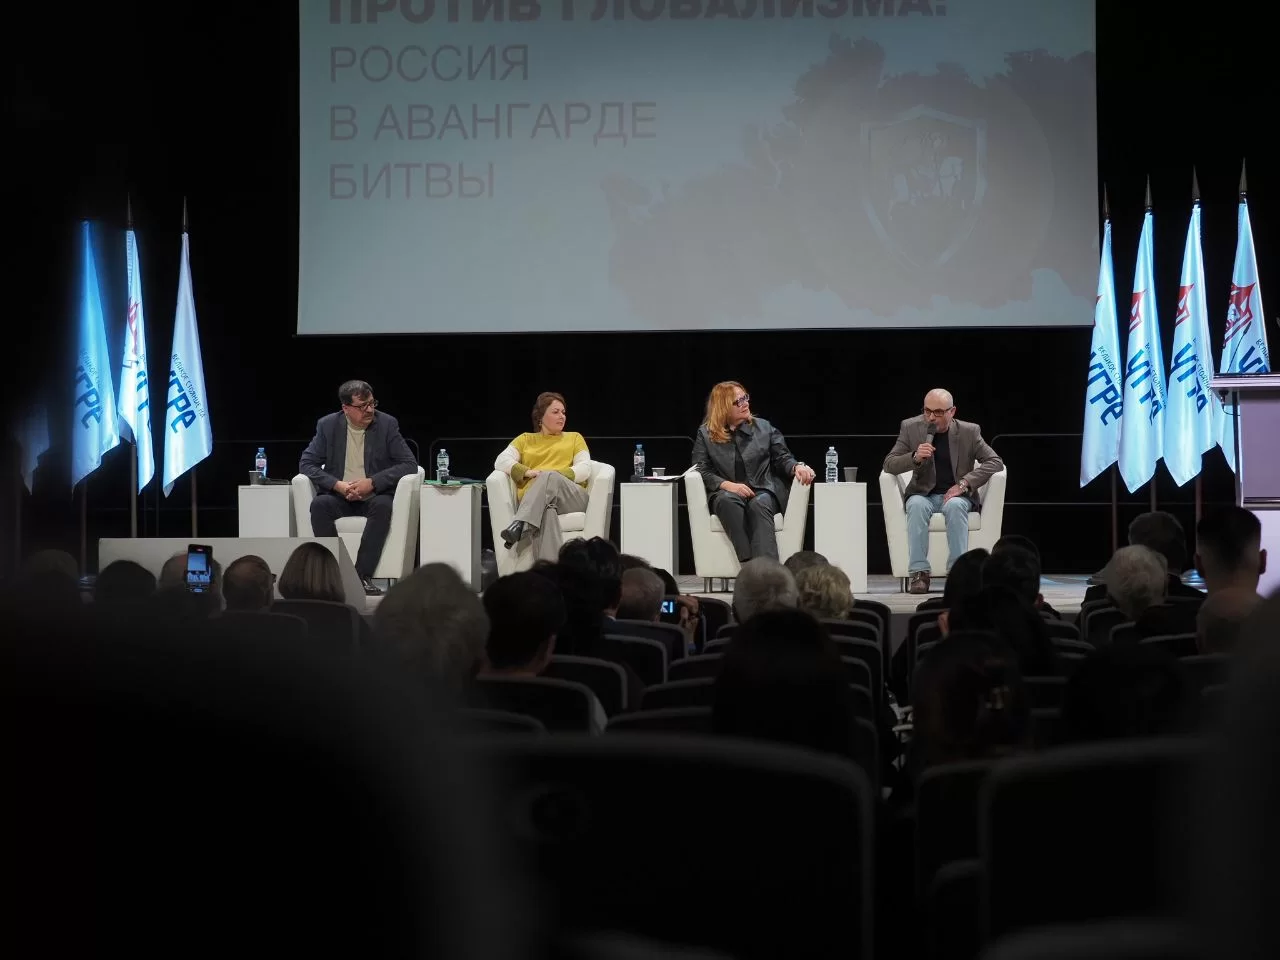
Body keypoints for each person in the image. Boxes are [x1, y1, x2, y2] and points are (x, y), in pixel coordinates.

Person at [299, 379, 419, 595]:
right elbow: (307, 463)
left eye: (372, 403)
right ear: (346, 408)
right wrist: (337, 485)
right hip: (339, 496)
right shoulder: (327, 425)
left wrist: (372, 482)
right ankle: (333, 576)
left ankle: (361, 576)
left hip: (374, 496)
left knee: (383, 506)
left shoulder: (386, 424)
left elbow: (409, 464)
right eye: (362, 406)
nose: (370, 410)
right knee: (319, 505)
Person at [882, 388, 1004, 594]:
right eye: (927, 411)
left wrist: (964, 483)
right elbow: (889, 464)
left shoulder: (969, 432)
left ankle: (958, 574)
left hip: (957, 495)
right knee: (915, 505)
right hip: (923, 494)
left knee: (955, 506)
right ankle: (919, 573)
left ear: (952, 411)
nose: (931, 417)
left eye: (938, 412)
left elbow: (995, 461)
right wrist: (914, 457)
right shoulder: (910, 427)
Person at [691, 382, 814, 562]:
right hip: (727, 493)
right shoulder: (706, 434)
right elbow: (700, 468)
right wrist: (728, 485)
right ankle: (749, 565)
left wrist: (796, 467)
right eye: (738, 401)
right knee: (727, 501)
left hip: (764, 489)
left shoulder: (764, 428)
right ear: (723, 407)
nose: (745, 403)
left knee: (759, 503)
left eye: (745, 398)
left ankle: (768, 570)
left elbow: (782, 457)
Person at [494, 392, 595, 562]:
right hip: (539, 501)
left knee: (549, 476)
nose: (561, 416)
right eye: (555, 412)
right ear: (540, 417)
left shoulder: (574, 438)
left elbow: (584, 469)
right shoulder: (525, 439)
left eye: (563, 412)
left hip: (571, 497)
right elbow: (501, 460)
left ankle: (520, 523)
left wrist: (552, 475)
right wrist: (528, 472)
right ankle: (550, 569)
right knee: (547, 510)